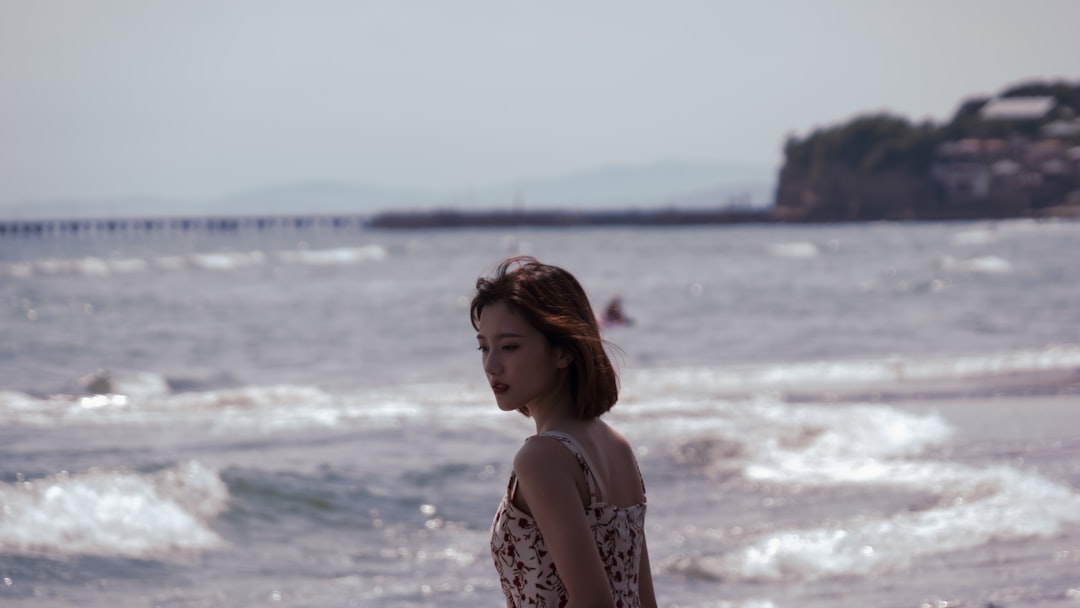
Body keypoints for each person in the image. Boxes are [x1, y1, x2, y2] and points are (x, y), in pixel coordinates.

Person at [471, 256, 657, 608]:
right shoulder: (617, 446)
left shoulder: (542, 457)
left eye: (509, 346)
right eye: (484, 346)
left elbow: (593, 601)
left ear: (563, 352)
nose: (491, 365)